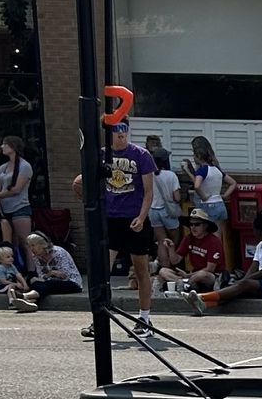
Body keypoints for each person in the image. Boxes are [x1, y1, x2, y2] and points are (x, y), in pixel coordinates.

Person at [74, 121, 156, 339]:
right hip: (110, 219)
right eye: (116, 132)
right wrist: (90, 202)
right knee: (103, 271)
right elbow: (82, 183)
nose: (120, 136)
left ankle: (144, 318)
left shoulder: (141, 155)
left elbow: (149, 191)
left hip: (134, 218)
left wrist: (141, 216)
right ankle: (99, 318)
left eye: (123, 132)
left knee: (141, 270)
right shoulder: (101, 156)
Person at [184, 210, 262, 314]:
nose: (253, 232)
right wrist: (241, 281)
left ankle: (202, 297)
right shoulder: (260, 246)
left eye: (253, 229)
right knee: (238, 290)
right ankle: (205, 305)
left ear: (259, 231)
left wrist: (245, 281)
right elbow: (253, 267)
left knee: (244, 285)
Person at [187, 140, 236, 273]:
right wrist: (225, 195)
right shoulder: (217, 170)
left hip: (208, 206)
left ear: (198, 157)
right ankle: (221, 266)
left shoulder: (202, 170)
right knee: (218, 238)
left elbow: (197, 185)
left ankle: (212, 268)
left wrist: (203, 196)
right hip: (219, 204)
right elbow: (233, 183)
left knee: (209, 239)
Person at [8, 231, 83, 312]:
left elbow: (65, 275)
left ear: (42, 244)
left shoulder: (58, 252)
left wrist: (51, 274)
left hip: (71, 282)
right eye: (30, 246)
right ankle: (31, 302)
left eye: (33, 245)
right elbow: (41, 275)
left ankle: (24, 296)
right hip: (49, 281)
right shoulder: (36, 256)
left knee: (52, 283)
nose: (31, 249)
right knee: (34, 282)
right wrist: (43, 277)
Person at [0, 135, 34, 273]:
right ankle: (15, 271)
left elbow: (16, 189)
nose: (2, 147)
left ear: (13, 147)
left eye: (5, 144)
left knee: (25, 242)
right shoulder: (3, 167)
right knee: (11, 242)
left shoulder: (25, 166)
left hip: (19, 207)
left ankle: (32, 271)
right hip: (5, 208)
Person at [156, 212, 223, 293]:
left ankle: (185, 284)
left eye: (197, 224)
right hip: (193, 274)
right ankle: (186, 284)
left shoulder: (214, 241)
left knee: (202, 274)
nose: (193, 227)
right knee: (163, 271)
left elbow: (210, 269)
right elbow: (175, 261)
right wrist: (171, 249)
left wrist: (188, 275)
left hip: (212, 276)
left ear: (205, 226)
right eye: (191, 224)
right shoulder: (188, 238)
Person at [148, 148, 182, 252]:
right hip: (167, 211)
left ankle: (161, 263)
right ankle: (172, 259)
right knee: (174, 239)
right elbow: (177, 197)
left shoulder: (149, 174)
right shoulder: (171, 175)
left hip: (152, 210)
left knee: (161, 241)